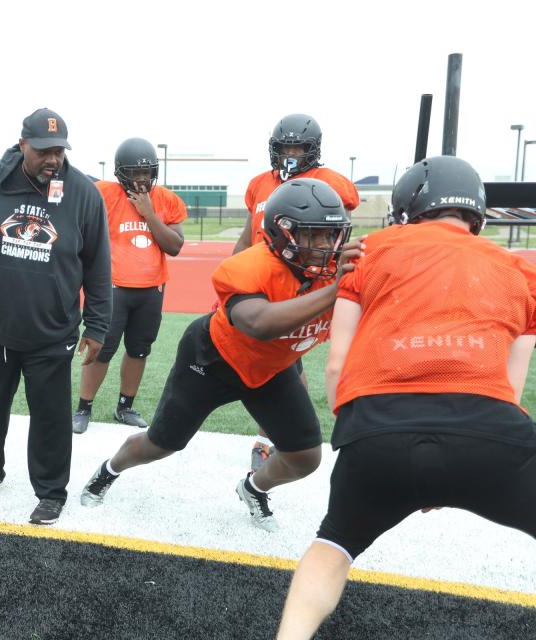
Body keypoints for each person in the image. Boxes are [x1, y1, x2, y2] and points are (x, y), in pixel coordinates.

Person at [277, 156, 536, 639]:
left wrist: (364, 439)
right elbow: (510, 387)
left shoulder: (369, 251)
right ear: (476, 213)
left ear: (407, 207)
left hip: (377, 429)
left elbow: (338, 364)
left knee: (333, 546)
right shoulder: (519, 272)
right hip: (489, 431)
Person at [81, 178, 360, 532]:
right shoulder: (248, 266)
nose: (326, 245)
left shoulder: (333, 273)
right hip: (212, 361)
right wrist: (336, 291)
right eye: (313, 235)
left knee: (305, 456)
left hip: (270, 370)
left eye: (331, 235)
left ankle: (253, 487)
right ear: (282, 233)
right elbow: (259, 324)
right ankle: (110, 469)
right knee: (161, 444)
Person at [0, 107, 112, 525]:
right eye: (43, 151)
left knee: (51, 417)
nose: (53, 159)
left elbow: (98, 268)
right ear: (22, 145)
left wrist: (96, 326)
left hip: (52, 331)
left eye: (59, 151)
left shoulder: (83, 193)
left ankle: (51, 491)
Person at [234, 113, 360, 473]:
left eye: (298, 147)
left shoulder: (328, 181)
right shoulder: (259, 183)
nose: (290, 153)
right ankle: (282, 433)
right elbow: (247, 237)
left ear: (312, 150)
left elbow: (339, 233)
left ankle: (272, 437)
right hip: (261, 280)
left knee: (289, 360)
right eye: (284, 147)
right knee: (277, 362)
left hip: (304, 280)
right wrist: (231, 281)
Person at [72, 138, 186, 434]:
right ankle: (83, 407)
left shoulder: (166, 200)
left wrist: (148, 212)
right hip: (113, 288)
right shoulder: (103, 194)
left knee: (138, 350)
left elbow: (174, 246)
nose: (141, 179)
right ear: (120, 172)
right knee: (101, 348)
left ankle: (125, 406)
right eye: (135, 173)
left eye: (146, 172)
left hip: (151, 289)